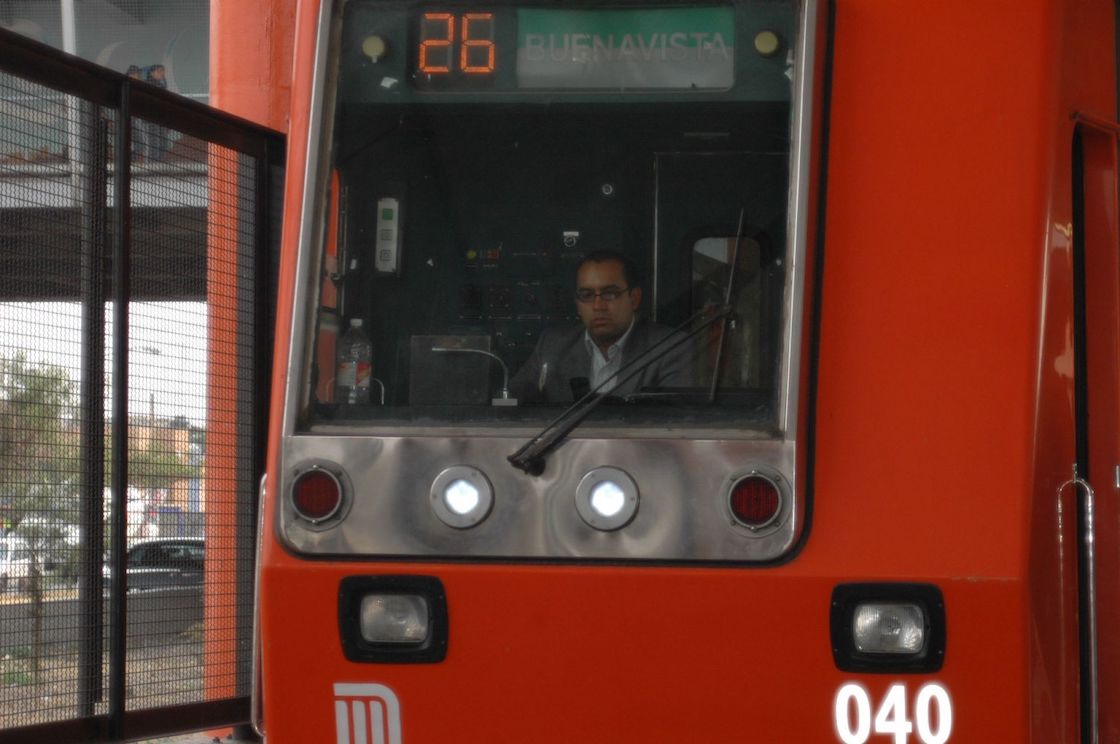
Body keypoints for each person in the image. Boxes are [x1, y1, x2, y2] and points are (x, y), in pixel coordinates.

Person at [509, 250, 693, 403]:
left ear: (634, 298)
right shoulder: (553, 344)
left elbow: (674, 421)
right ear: (577, 304)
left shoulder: (671, 347)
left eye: (610, 294)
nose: (598, 306)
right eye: (587, 295)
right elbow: (513, 403)